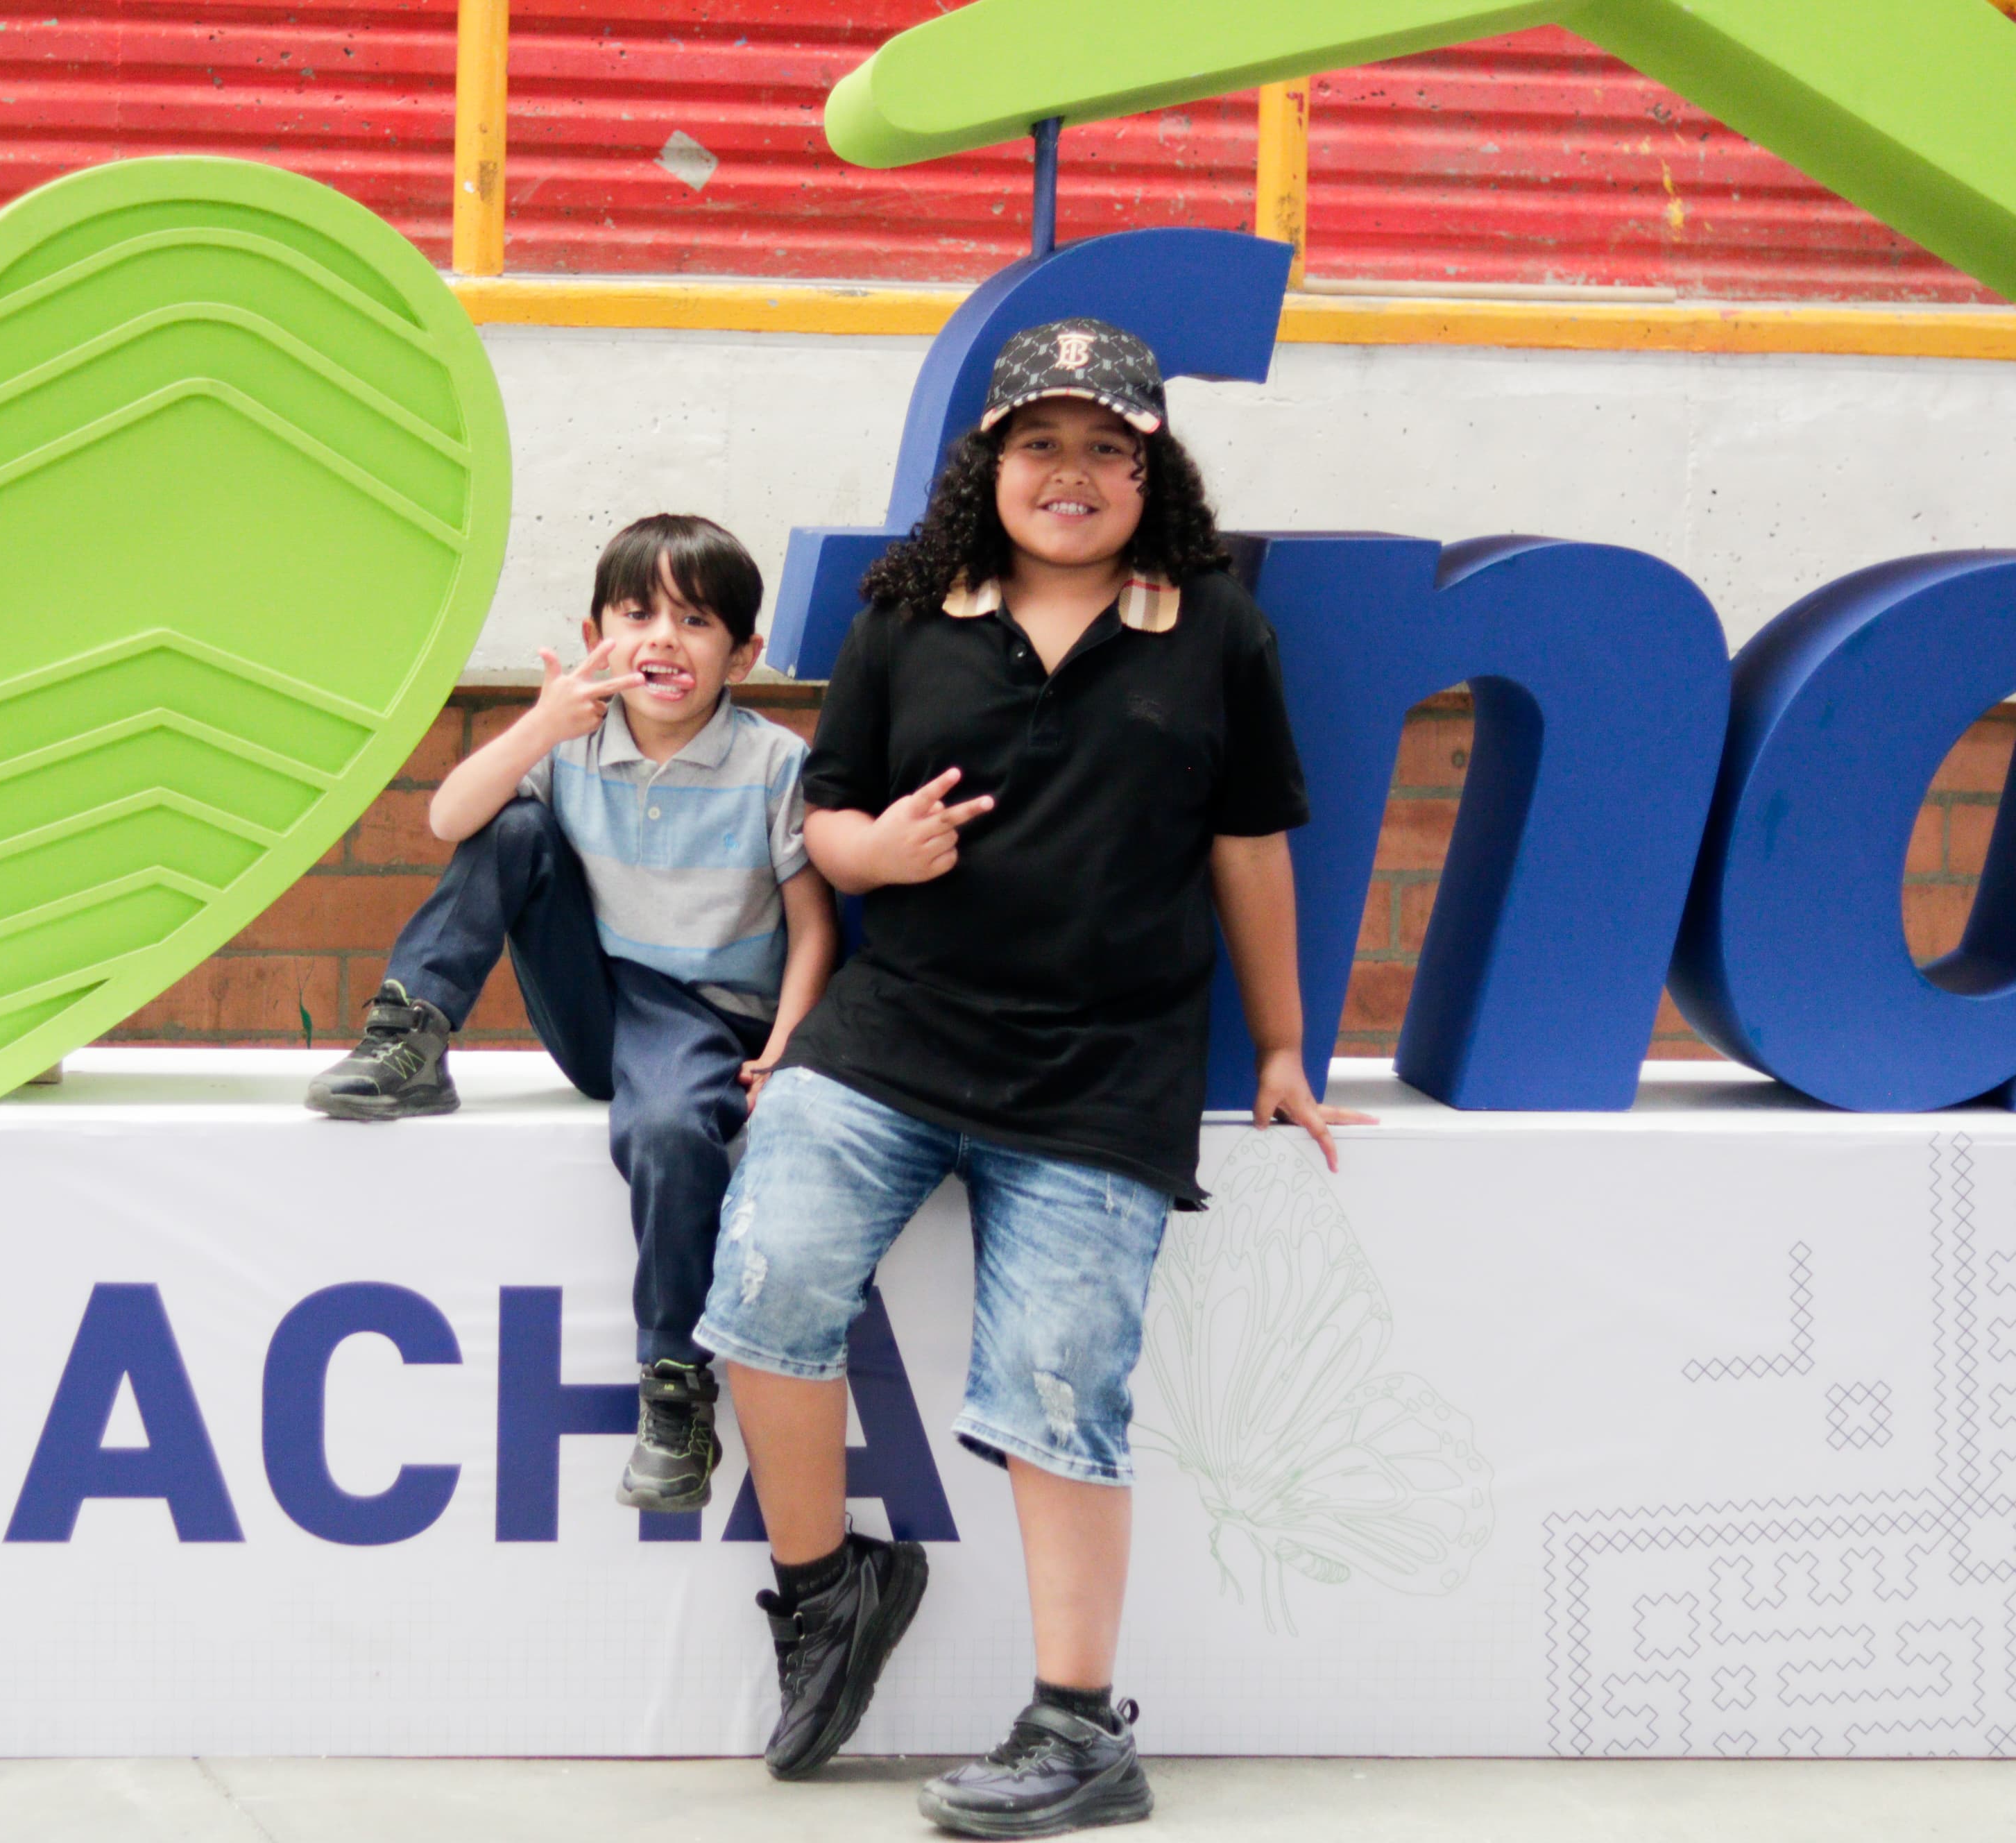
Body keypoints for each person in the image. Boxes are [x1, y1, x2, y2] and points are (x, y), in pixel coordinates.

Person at [690, 320, 1374, 1831]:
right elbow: (827, 817)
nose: (1073, 475)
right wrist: (879, 850)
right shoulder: (903, 615)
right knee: (768, 1277)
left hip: (1102, 1064)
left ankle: (1078, 1725)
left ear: (1151, 471)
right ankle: (828, 1588)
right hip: (898, 1031)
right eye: (1043, 445)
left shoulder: (1213, 632)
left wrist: (1279, 1044)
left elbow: (1249, 842)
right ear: (991, 463)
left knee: (1060, 1380)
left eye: (1107, 450)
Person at [306, 513, 838, 1513]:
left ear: (745, 652)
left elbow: (814, 928)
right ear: (595, 628)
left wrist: (786, 1050)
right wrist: (540, 726)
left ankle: (674, 1386)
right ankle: (411, 1035)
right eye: (636, 614)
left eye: (694, 620)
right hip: (597, 1002)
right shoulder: (574, 742)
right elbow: (449, 820)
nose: (662, 641)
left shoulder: (774, 766)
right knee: (512, 824)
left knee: (674, 1131)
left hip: (700, 1019)